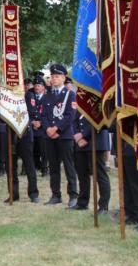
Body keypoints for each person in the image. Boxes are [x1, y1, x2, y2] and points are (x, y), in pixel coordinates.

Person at [41, 64, 79, 207]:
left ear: (63, 78)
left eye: (57, 76)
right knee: (54, 167)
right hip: (49, 136)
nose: (54, 79)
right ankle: (55, 195)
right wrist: (49, 129)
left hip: (65, 136)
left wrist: (57, 128)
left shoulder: (70, 94)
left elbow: (70, 115)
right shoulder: (47, 95)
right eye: (52, 76)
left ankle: (73, 195)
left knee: (69, 166)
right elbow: (43, 115)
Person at [73, 114, 110, 213]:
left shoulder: (98, 99)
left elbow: (100, 120)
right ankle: (82, 202)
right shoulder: (80, 100)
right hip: (80, 143)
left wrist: (84, 136)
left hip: (96, 140)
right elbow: (74, 118)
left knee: (100, 175)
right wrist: (77, 135)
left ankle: (103, 206)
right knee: (82, 174)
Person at [30, 76, 48, 176]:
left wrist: (40, 123)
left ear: (43, 87)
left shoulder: (47, 98)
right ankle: (36, 165)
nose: (36, 87)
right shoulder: (30, 98)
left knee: (43, 150)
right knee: (33, 149)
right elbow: (27, 112)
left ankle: (45, 169)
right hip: (32, 127)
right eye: (35, 85)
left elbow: (48, 114)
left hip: (43, 129)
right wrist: (32, 122)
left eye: (39, 85)